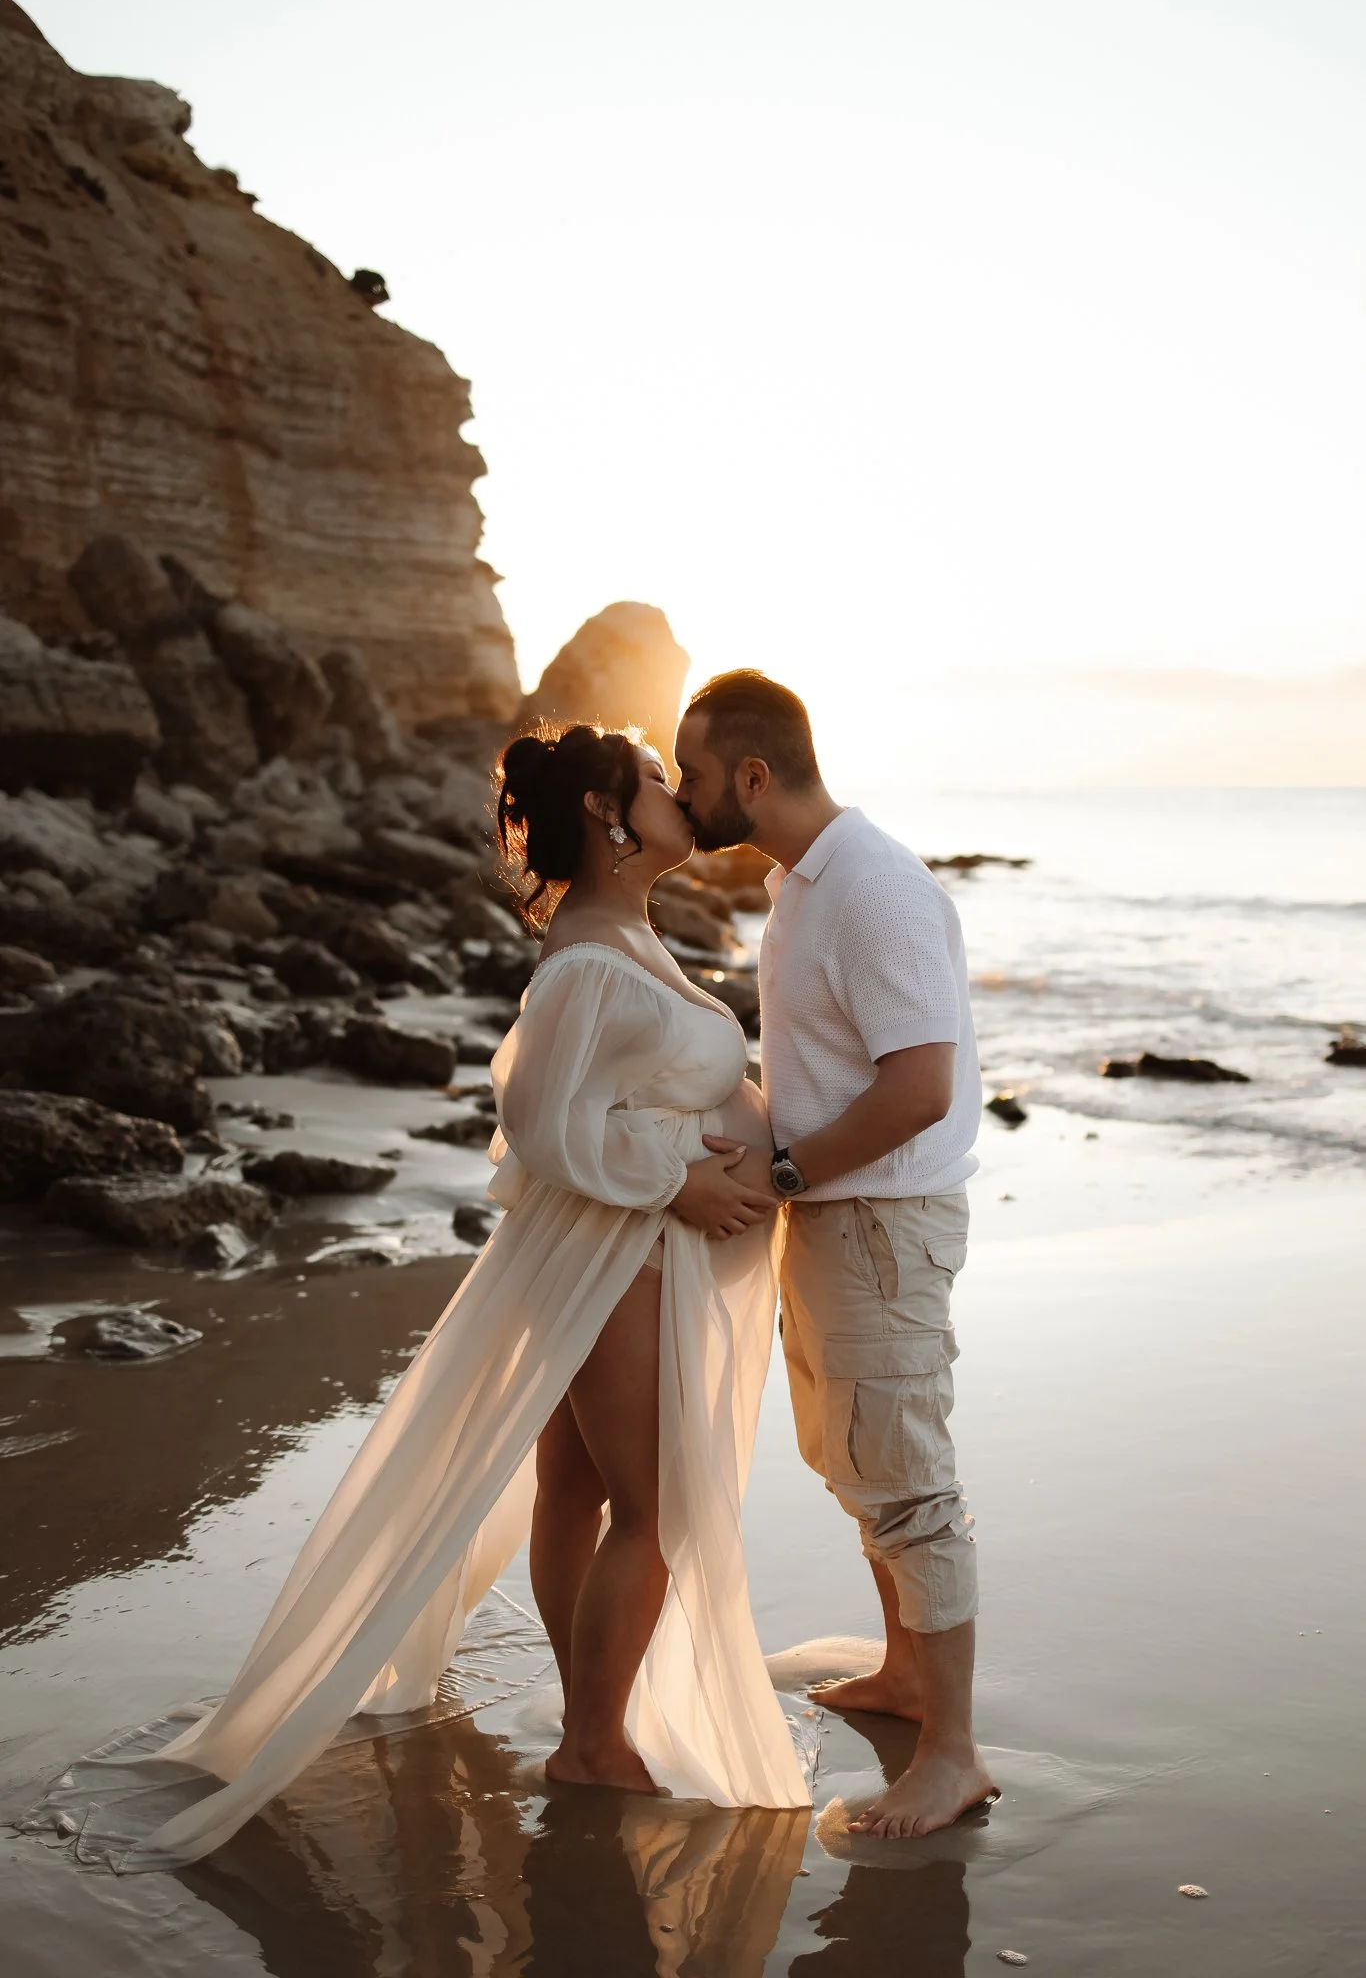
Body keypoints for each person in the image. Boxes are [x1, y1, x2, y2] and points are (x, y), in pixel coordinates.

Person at [24, 723, 807, 1873]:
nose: (678, 800)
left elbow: (610, 1095)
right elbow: (540, 1125)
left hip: (611, 1249)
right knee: (648, 1507)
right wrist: (678, 1177)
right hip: (613, 1251)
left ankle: (593, 1703)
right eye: (656, 782)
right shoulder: (588, 959)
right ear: (604, 812)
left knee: (579, 1484)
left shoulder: (624, 935)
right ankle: (593, 1738)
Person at [674, 671, 998, 1841]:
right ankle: (911, 1677)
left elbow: (921, 1084)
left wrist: (787, 1173)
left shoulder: (868, 886)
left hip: (880, 1222)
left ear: (753, 776)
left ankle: (951, 1753)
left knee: (908, 1480)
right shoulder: (797, 882)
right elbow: (832, 1068)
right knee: (857, 1458)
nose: (681, 791)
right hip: (839, 1221)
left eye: (695, 774)